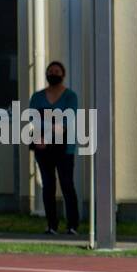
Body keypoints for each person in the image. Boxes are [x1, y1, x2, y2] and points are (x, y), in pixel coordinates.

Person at [29, 60, 81, 236]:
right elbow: (33, 119)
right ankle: (52, 224)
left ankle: (72, 224)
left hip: (65, 147)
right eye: (50, 70)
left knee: (67, 184)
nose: (53, 73)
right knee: (48, 185)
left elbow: (67, 121)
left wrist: (47, 128)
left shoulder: (70, 96)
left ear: (63, 74)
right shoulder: (37, 97)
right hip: (42, 146)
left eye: (57, 71)